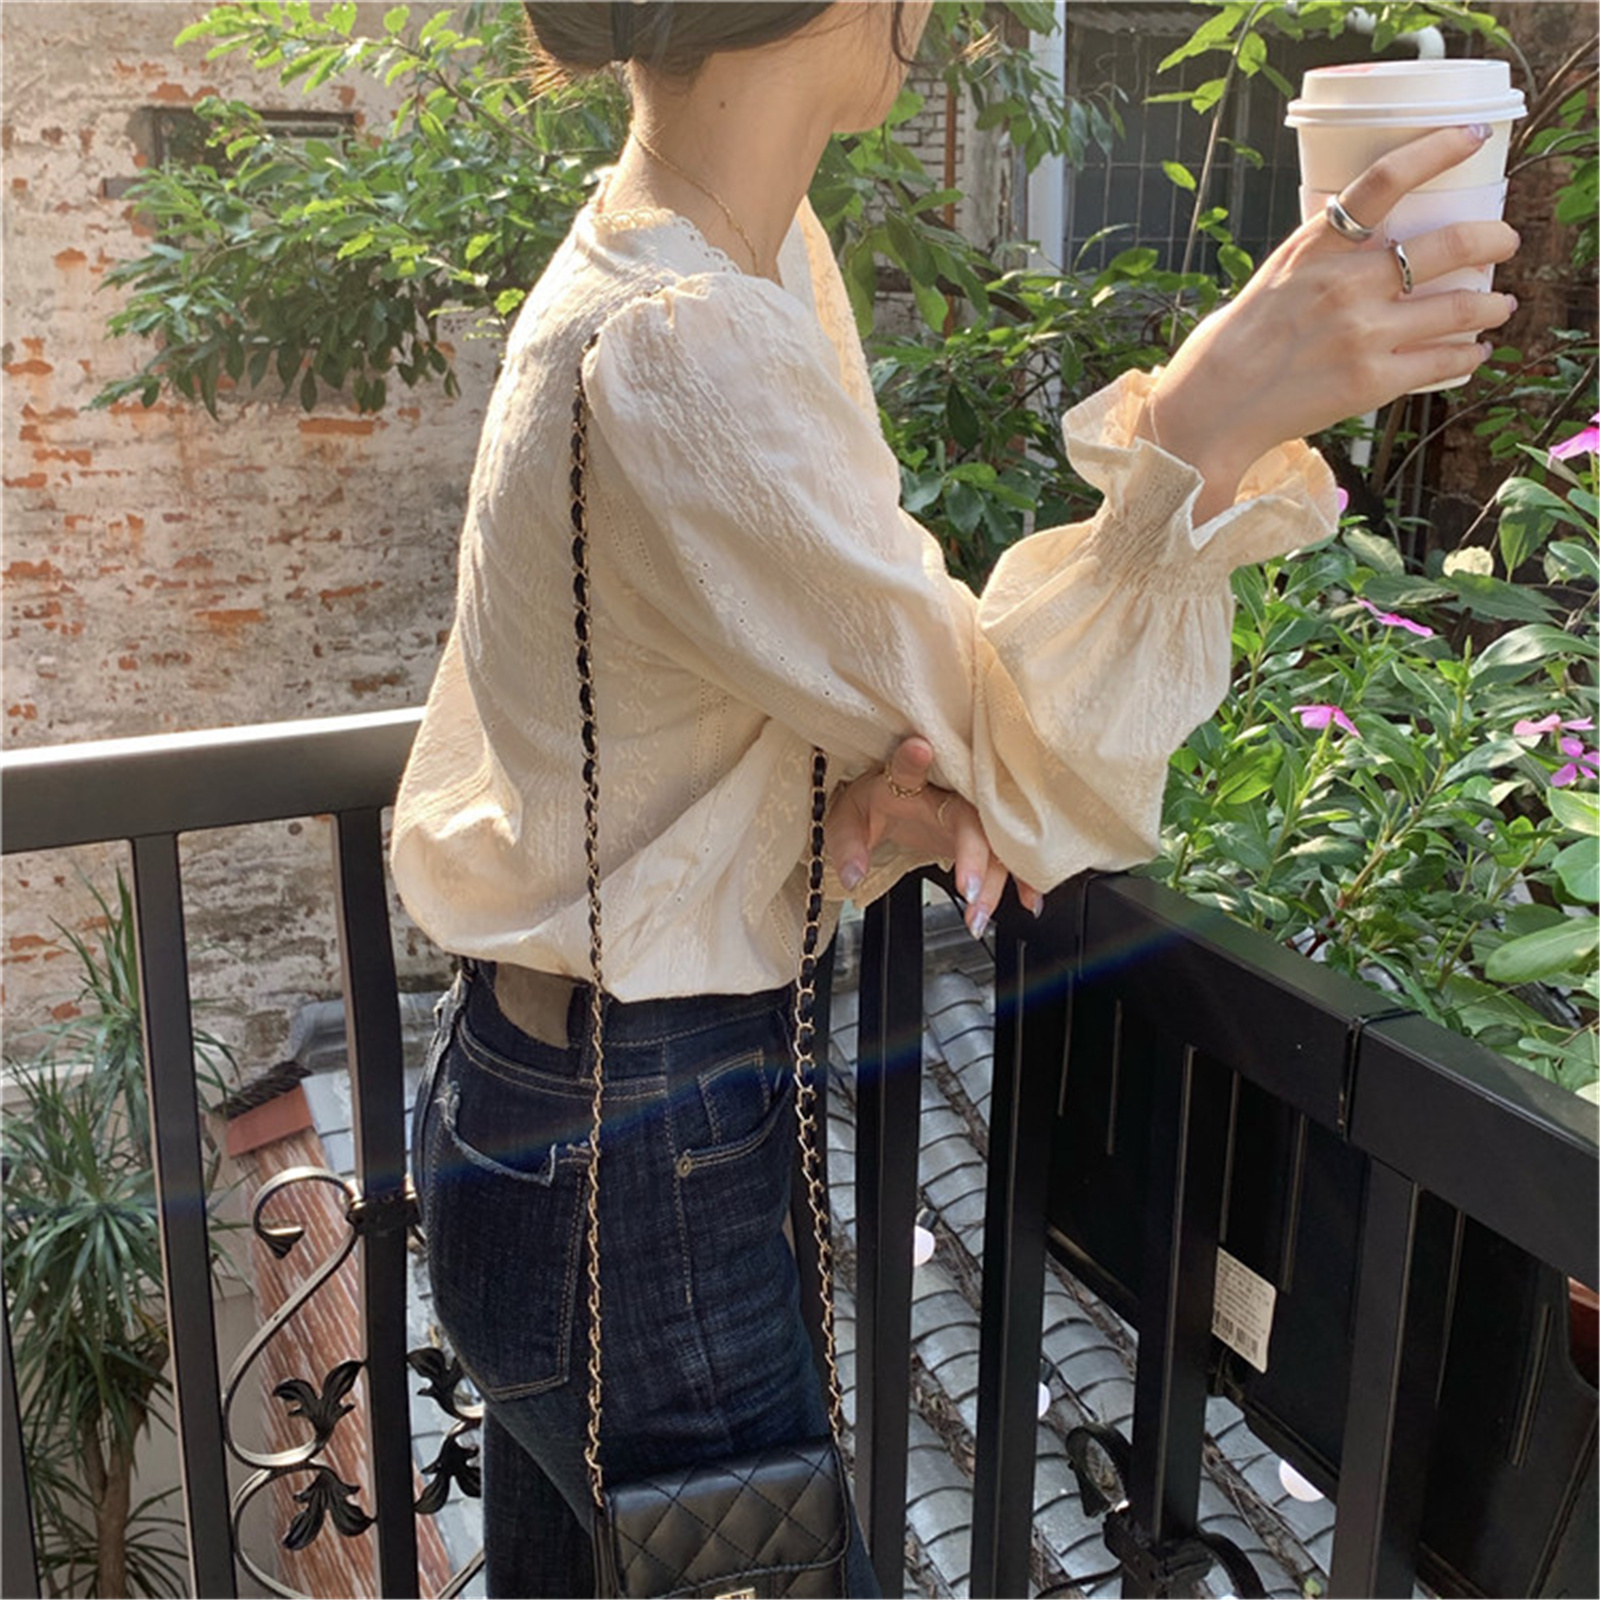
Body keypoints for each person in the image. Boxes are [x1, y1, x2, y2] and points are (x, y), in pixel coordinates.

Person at [393, 4, 1518, 1594]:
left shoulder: (699, 264)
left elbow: (697, 687)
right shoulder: (688, 333)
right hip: (637, 1157)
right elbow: (1025, 761)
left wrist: (859, 785)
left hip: (563, 1108)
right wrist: (1203, 424)